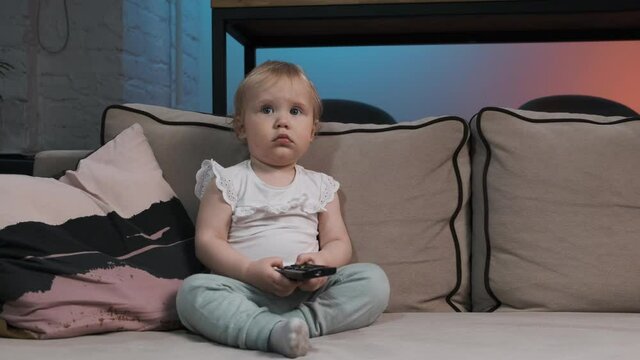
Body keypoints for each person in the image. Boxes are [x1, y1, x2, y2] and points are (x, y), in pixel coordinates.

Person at [176, 61, 390, 358]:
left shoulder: (321, 186)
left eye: (295, 111)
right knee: (192, 292)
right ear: (241, 126)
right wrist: (249, 270)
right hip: (244, 289)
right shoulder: (226, 180)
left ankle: (295, 326)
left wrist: (322, 264)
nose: (282, 121)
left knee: (373, 281)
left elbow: (338, 242)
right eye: (266, 110)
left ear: (312, 130)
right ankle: (267, 330)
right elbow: (208, 242)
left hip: (308, 292)